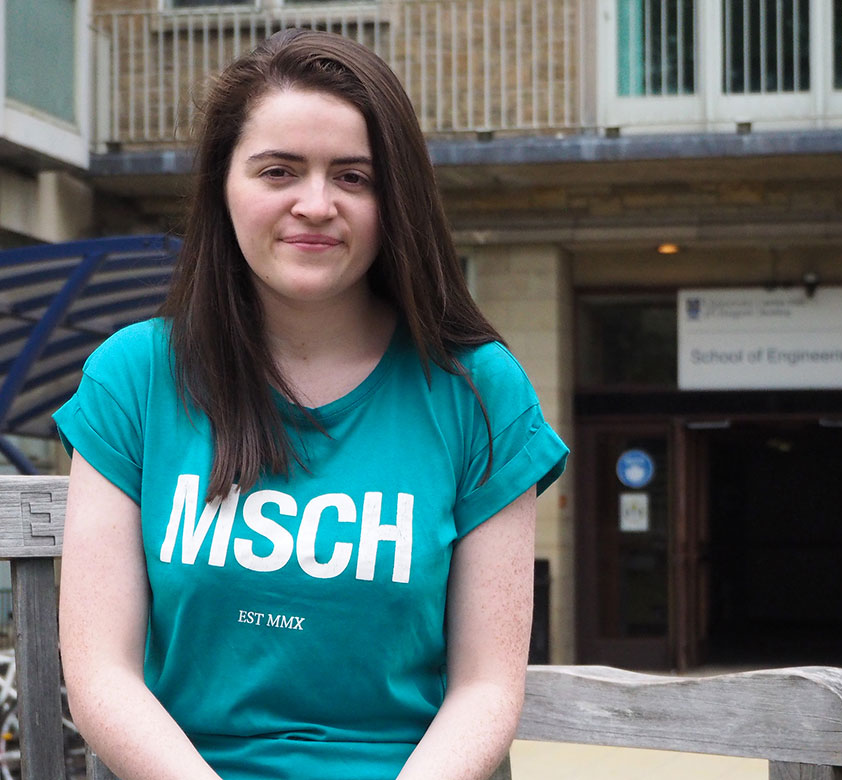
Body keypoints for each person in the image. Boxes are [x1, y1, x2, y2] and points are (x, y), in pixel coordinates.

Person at [54, 27, 567, 780]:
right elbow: (103, 676)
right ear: (223, 186)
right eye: (278, 171)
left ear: (396, 201)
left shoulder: (479, 391)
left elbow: (487, 688)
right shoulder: (133, 377)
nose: (316, 204)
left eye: (353, 177)